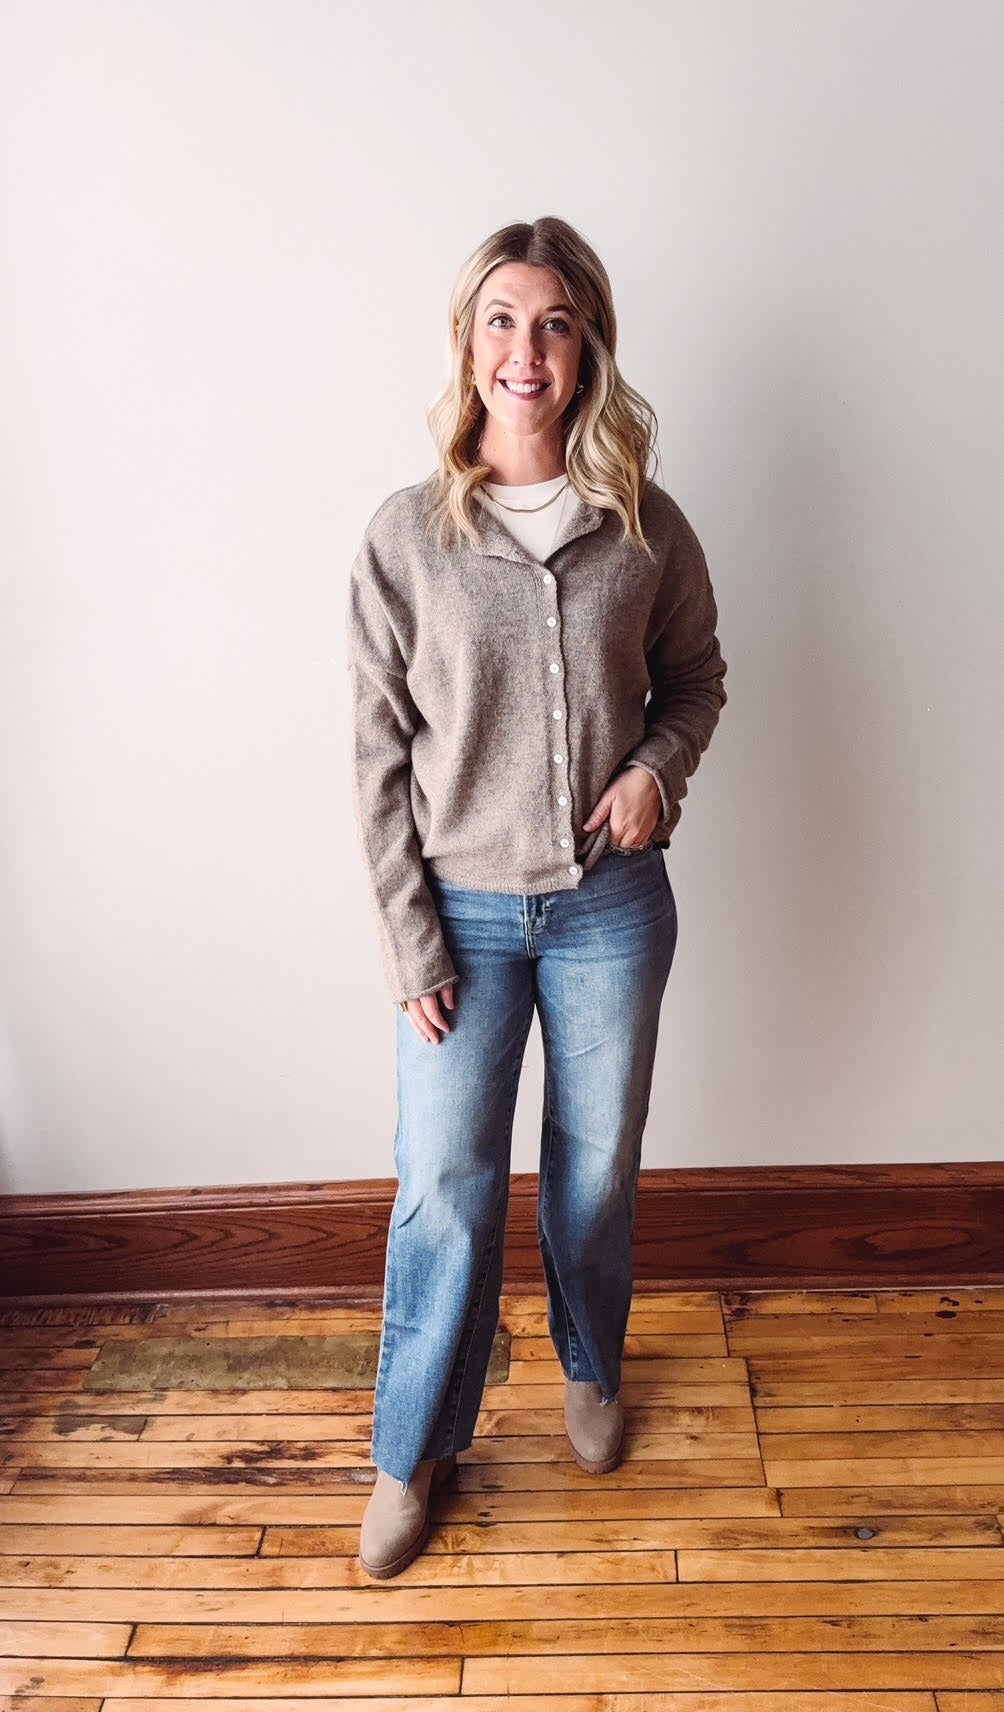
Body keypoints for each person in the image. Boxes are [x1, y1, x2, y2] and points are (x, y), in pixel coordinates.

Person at [345, 215, 727, 1579]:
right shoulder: (405, 538)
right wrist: (410, 941)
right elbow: (376, 760)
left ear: (588, 348)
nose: (527, 350)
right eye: (501, 321)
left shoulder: (645, 527)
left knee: (594, 1170)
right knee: (444, 1186)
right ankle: (414, 1447)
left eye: (554, 322)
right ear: (468, 347)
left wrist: (657, 772)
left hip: (611, 909)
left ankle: (590, 1365)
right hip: (458, 915)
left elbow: (697, 682)